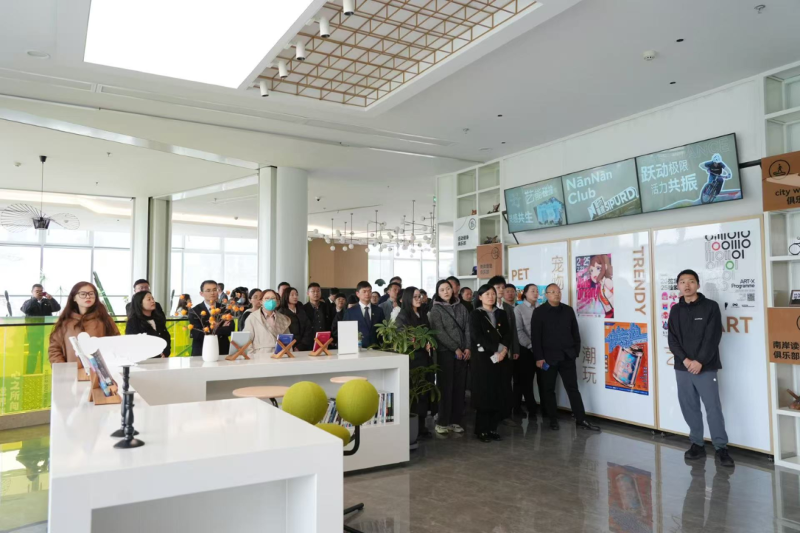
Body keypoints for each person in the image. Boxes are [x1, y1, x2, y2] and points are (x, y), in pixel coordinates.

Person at [668, 269, 733, 467]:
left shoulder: (710, 307)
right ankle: (697, 444)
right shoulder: (675, 310)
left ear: (697, 284)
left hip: (706, 367)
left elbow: (713, 337)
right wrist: (686, 361)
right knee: (689, 406)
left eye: (691, 281)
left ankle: (721, 448)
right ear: (678, 286)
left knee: (713, 407)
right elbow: (672, 340)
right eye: (682, 282)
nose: (686, 285)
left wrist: (700, 361)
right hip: (683, 367)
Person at [531, 283, 600, 432]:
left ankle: (581, 419)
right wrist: (539, 357)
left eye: (558, 292)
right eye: (553, 292)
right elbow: (535, 337)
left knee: (572, 388)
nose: (557, 294)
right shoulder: (539, 312)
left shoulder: (568, 310)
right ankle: (553, 419)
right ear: (546, 295)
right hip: (548, 358)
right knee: (549, 389)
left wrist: (575, 351)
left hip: (567, 356)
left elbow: (575, 332)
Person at [469, 284, 512, 443]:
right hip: (483, 359)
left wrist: (504, 350)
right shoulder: (476, 314)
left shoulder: (501, 313)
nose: (491, 297)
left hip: (501, 358)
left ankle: (493, 428)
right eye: (487, 294)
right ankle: (482, 430)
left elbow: (507, 334)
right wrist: (496, 349)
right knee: (484, 394)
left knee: (498, 393)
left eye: (493, 294)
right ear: (480, 297)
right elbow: (477, 336)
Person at [428, 279, 471, 435]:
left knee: (459, 388)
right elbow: (439, 333)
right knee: (445, 388)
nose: (446, 292)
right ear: (438, 293)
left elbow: (467, 328)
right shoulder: (436, 310)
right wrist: (455, 348)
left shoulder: (461, 307)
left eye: (448, 288)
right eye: (442, 289)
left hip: (463, 353)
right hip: (445, 353)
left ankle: (455, 421)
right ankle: (442, 422)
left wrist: (467, 347)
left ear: (453, 290)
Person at [48, 282, 120, 364]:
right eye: (83, 294)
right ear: (74, 298)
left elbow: (116, 343)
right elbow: (54, 349)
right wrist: (64, 369)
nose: (88, 297)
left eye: (91, 294)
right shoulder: (65, 322)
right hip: (73, 371)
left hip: (100, 371)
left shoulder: (104, 319)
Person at [395, 286, 434, 438]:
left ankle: (422, 425)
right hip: (412, 359)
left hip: (425, 358)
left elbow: (428, 332)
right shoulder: (403, 315)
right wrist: (421, 343)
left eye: (420, 296)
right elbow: (403, 336)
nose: (419, 299)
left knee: (423, 391)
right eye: (415, 296)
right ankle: (412, 427)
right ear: (408, 298)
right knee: (414, 393)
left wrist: (429, 342)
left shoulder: (422, 313)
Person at [489, 275, 520, 427]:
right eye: (497, 287)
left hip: (507, 351)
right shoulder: (486, 306)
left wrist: (515, 349)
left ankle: (506, 414)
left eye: (503, 287)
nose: (501, 290)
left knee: (506, 383)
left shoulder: (508, 308)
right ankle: (493, 413)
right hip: (491, 353)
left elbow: (513, 330)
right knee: (493, 383)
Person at [514, 284, 542, 418]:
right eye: (532, 291)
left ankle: (545, 409)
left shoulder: (541, 308)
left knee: (543, 381)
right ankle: (532, 409)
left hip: (542, 350)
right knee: (527, 381)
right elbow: (519, 331)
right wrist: (531, 346)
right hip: (526, 350)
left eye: (537, 291)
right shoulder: (519, 309)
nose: (535, 293)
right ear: (525, 293)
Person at [188, 280, 234, 356]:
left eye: (215, 290)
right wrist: (218, 328)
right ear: (201, 293)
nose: (212, 293)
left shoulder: (225, 309)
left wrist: (212, 329)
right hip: (202, 351)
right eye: (208, 290)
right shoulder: (195, 311)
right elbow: (197, 334)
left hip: (222, 350)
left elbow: (230, 330)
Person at [243, 289, 291, 356]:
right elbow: (247, 340)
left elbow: (288, 340)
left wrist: (287, 355)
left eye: (273, 298)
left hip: (279, 355)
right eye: (267, 298)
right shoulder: (252, 318)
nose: (270, 301)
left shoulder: (283, 319)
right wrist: (251, 356)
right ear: (261, 301)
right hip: (260, 356)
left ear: (277, 301)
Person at [125, 291, 171, 358]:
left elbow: (166, 337)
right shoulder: (133, 322)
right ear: (140, 303)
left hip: (161, 359)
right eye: (149, 299)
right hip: (143, 359)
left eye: (153, 299)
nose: (153, 301)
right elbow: (132, 343)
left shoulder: (158, 319)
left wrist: (165, 352)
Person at [342, 281, 386, 348]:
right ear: (357, 294)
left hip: (376, 348)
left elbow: (383, 329)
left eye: (369, 291)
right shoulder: (350, 312)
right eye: (364, 291)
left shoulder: (378, 310)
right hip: (357, 348)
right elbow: (345, 332)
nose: (367, 294)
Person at [279, 287, 314, 351]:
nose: (295, 297)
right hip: (289, 347)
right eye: (292, 295)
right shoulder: (282, 312)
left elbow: (308, 328)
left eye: (296, 294)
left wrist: (301, 345)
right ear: (286, 296)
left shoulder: (301, 311)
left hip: (304, 346)